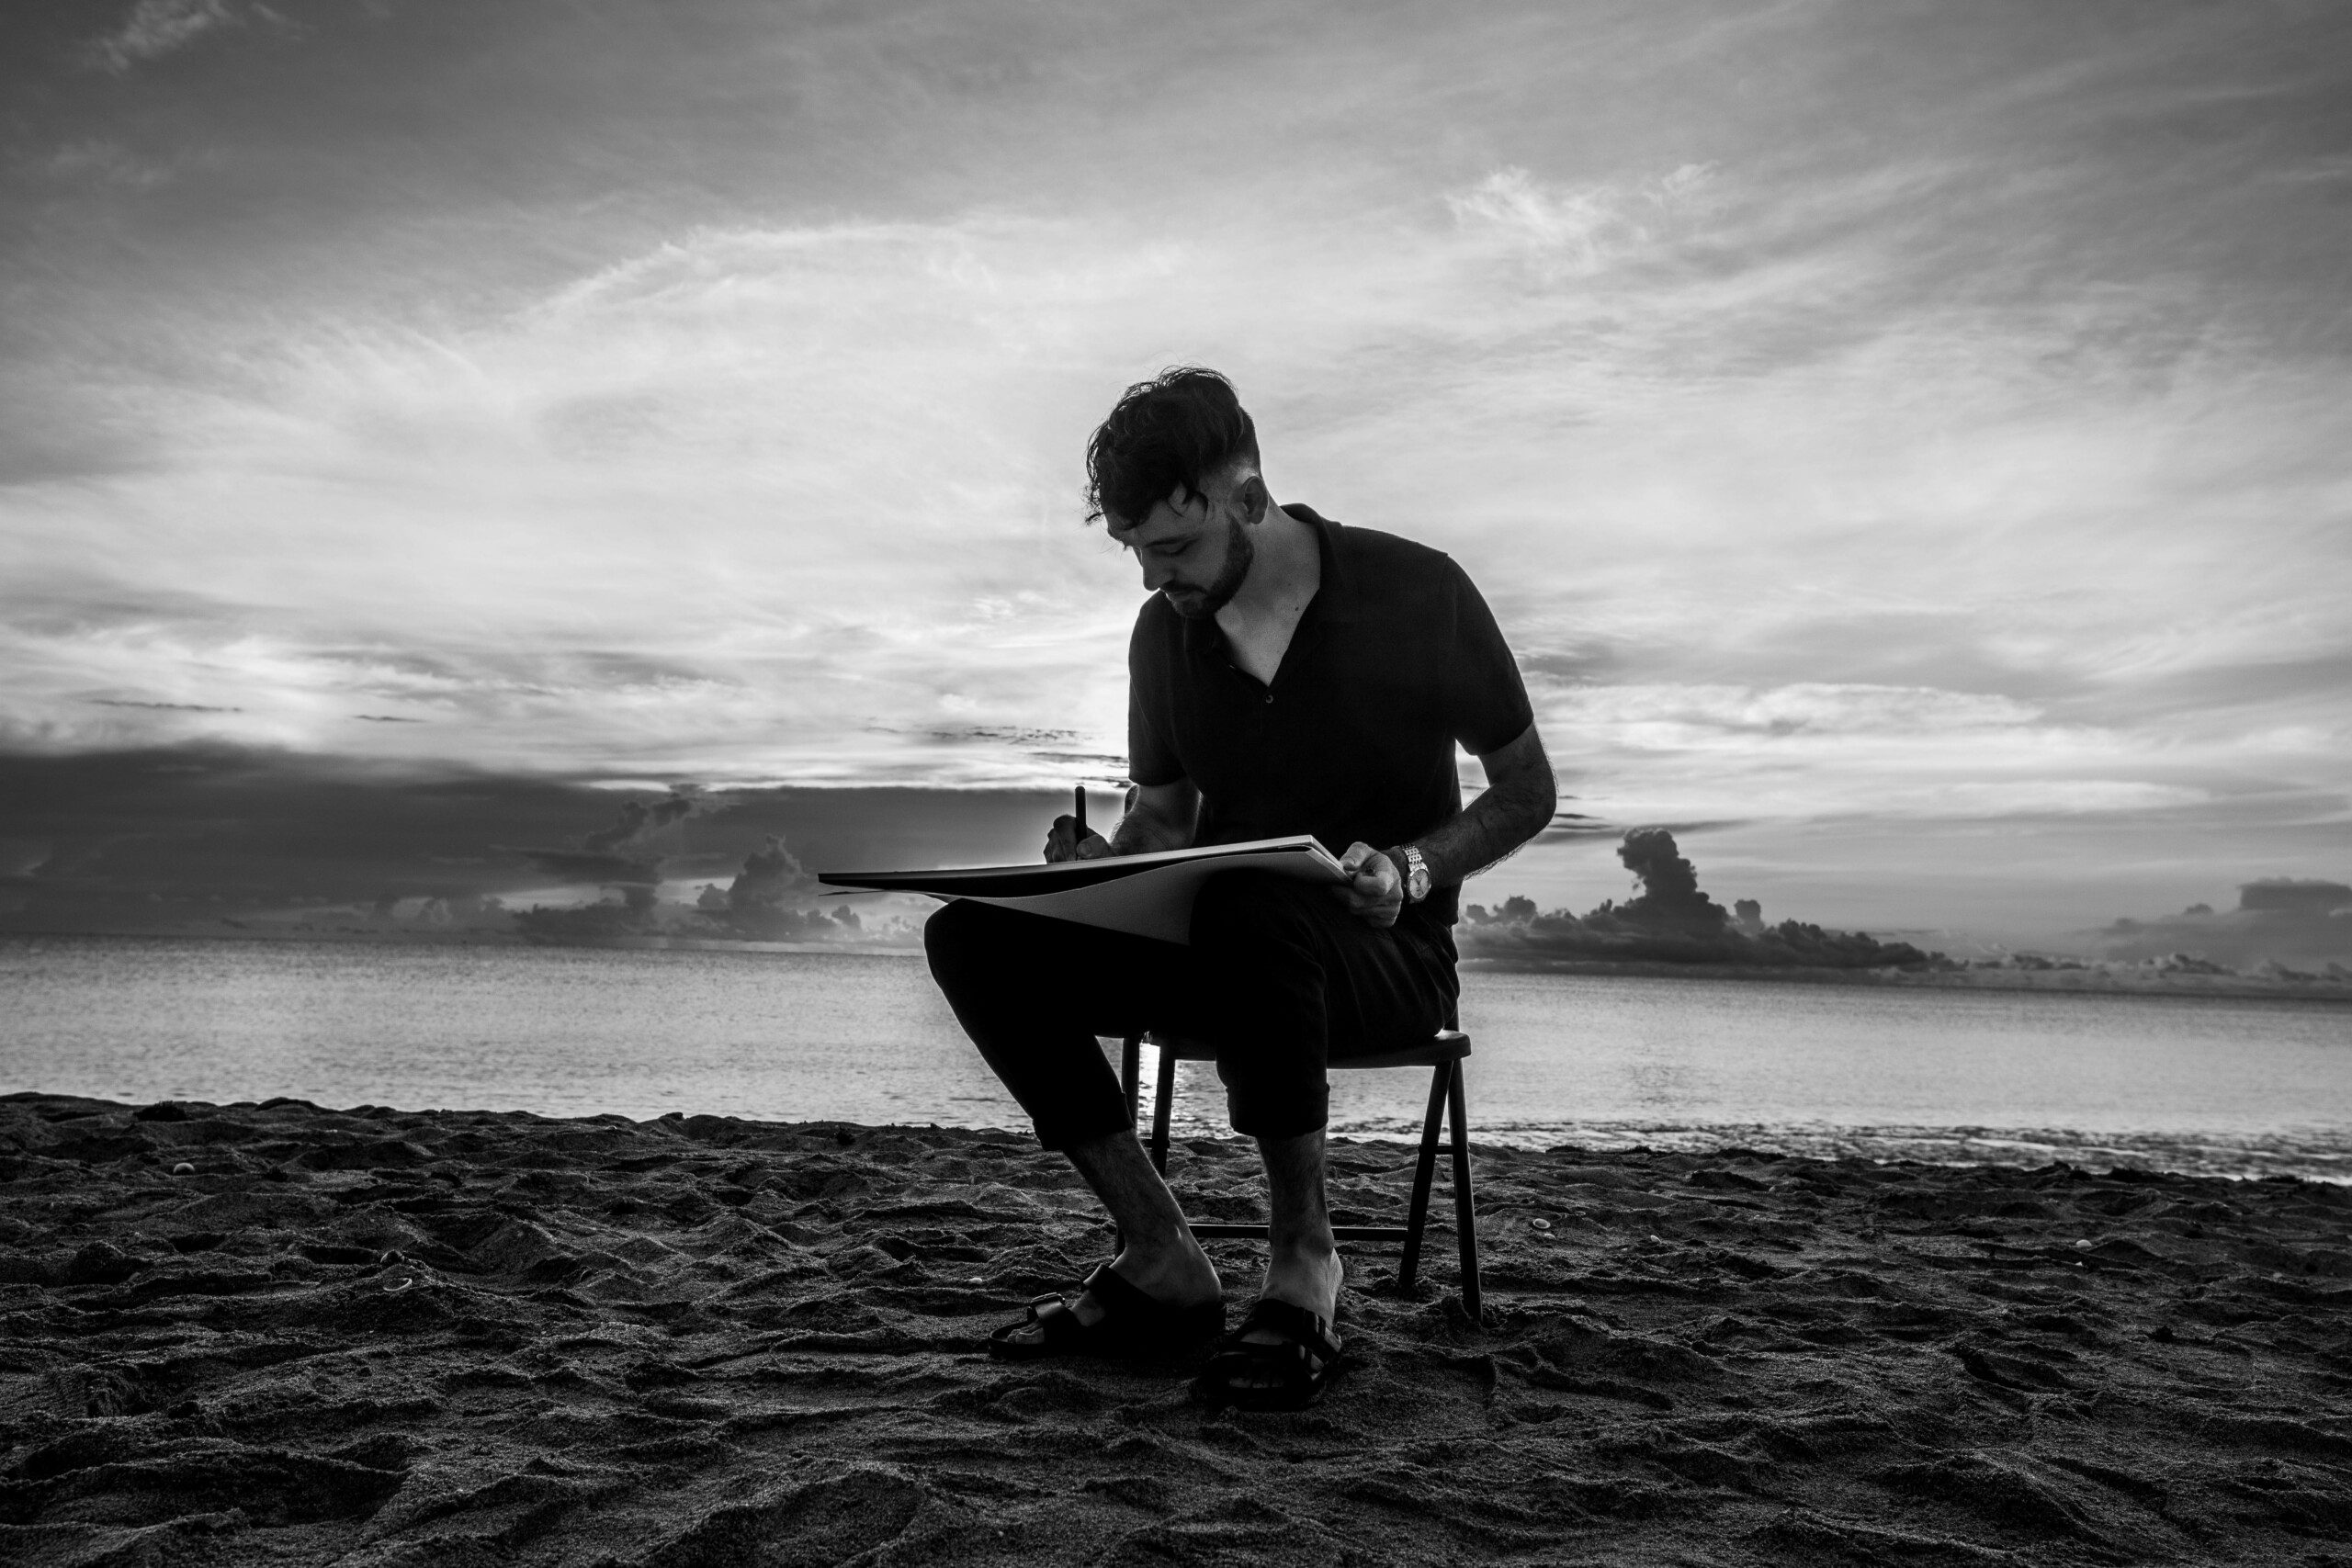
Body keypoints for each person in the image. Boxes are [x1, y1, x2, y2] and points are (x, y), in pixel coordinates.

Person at [923, 367, 1555, 1408]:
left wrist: (1413, 869)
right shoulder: (1162, 636)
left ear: (1249, 501)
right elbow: (1165, 822)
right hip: (1217, 947)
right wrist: (1097, 869)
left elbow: (1526, 792)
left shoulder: (1419, 591)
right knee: (973, 939)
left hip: (1384, 957)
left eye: (1171, 549)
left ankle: (1306, 1265)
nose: (1149, 581)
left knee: (1254, 908)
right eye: (1134, 553)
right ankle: (1159, 1254)